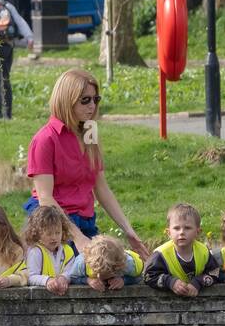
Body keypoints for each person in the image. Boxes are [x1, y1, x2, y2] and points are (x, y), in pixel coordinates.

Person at [23, 69, 150, 258]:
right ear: (67, 99)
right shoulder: (45, 139)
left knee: (120, 269)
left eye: (95, 99)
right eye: (85, 100)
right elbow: (45, 198)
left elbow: (101, 188)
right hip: (53, 224)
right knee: (89, 272)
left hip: (86, 220)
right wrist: (78, 237)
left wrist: (128, 230)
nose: (92, 106)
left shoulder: (90, 132)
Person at [144, 203, 219, 297]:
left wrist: (198, 282)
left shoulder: (203, 251)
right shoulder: (160, 254)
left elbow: (215, 273)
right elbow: (148, 276)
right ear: (168, 232)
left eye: (187, 228)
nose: (182, 232)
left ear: (198, 232)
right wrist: (170, 282)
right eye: (176, 228)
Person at [23, 205, 77, 295]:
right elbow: (30, 277)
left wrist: (64, 278)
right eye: (49, 234)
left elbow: (72, 272)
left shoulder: (68, 250)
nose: (54, 238)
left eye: (57, 233)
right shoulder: (36, 252)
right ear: (37, 233)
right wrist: (47, 280)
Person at [62, 234, 144, 291]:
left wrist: (124, 280)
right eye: (96, 272)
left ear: (117, 268)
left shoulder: (129, 265)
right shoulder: (82, 263)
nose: (99, 276)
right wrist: (88, 280)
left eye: (105, 274)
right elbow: (72, 277)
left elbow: (140, 277)